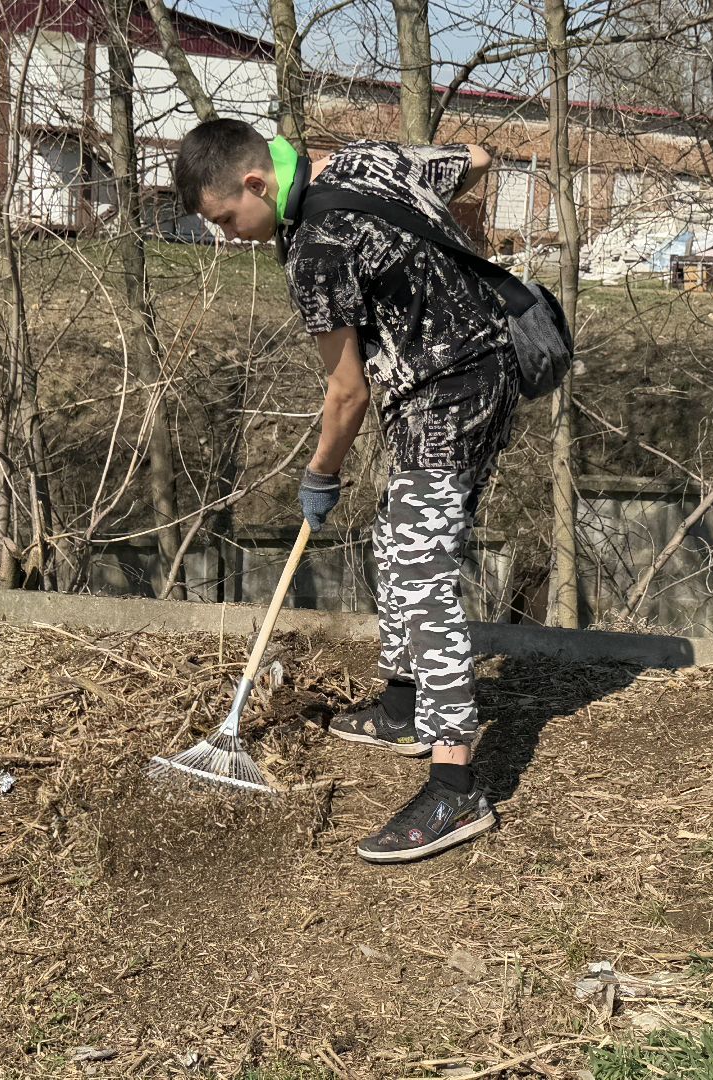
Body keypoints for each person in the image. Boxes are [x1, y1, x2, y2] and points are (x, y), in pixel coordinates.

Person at [174, 119, 519, 863]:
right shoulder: (361, 160)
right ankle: (403, 710)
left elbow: (346, 393)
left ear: (257, 184)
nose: (229, 237)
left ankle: (456, 785)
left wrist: (319, 474)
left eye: (227, 219)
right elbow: (480, 160)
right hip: (488, 368)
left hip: (448, 392)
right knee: (398, 534)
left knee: (422, 567)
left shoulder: (314, 248)